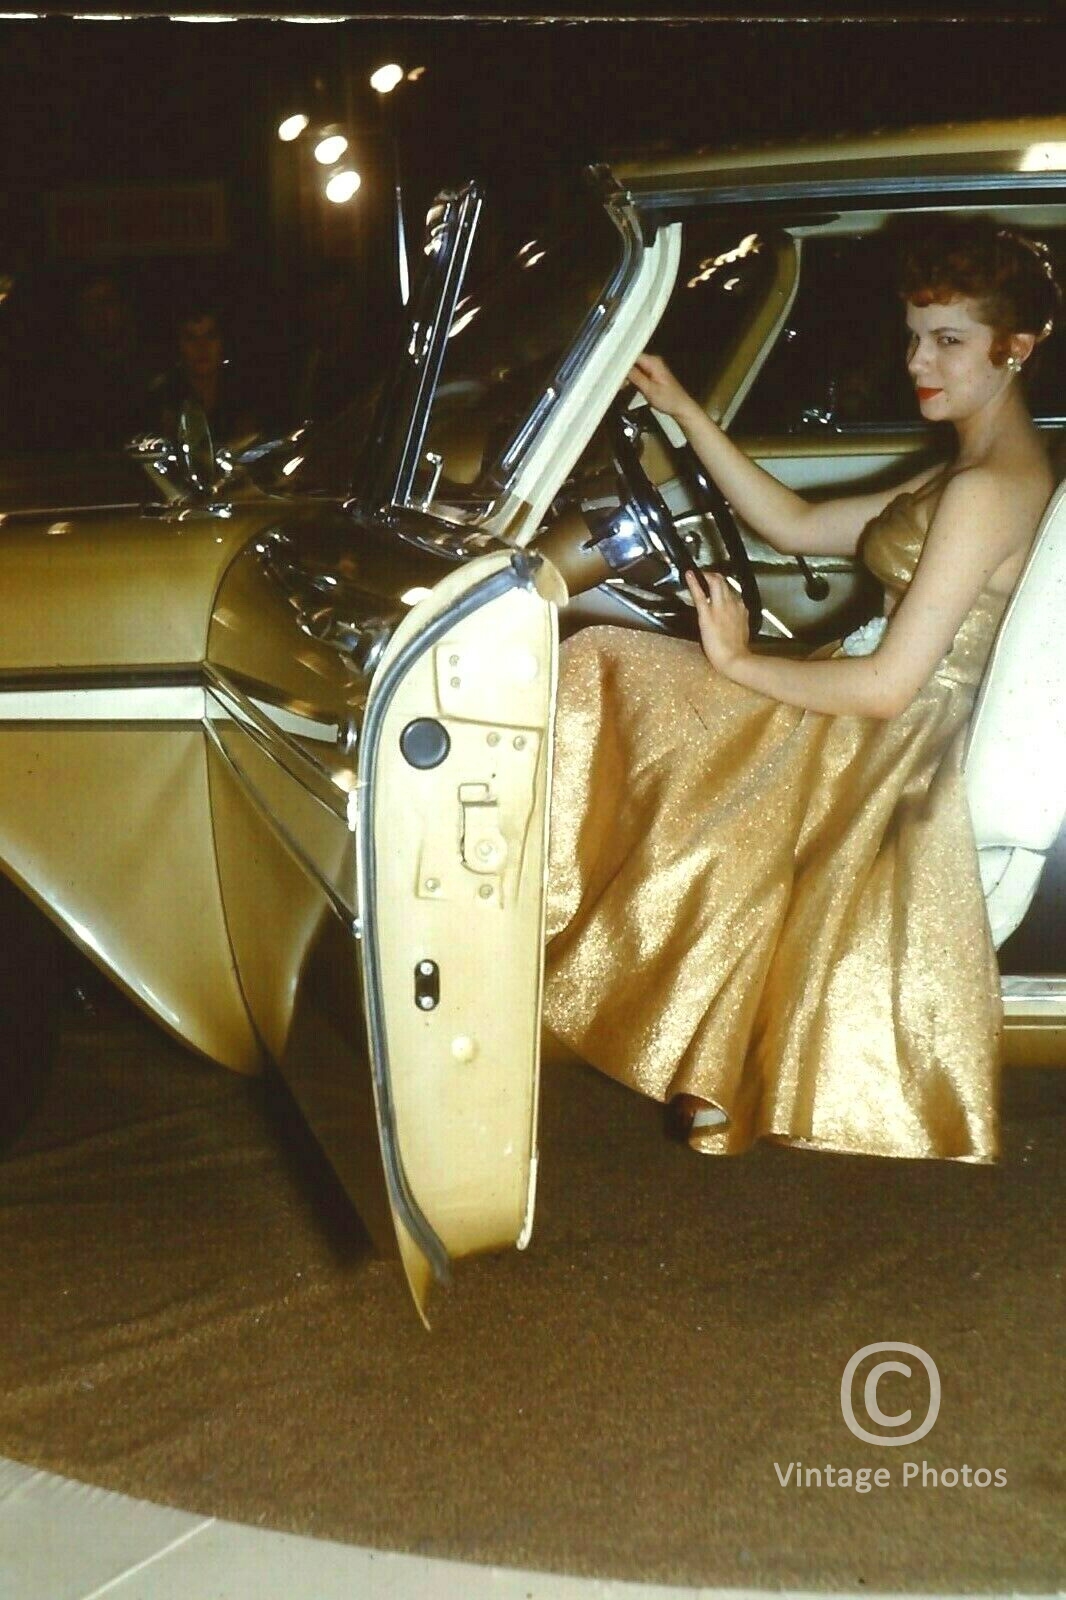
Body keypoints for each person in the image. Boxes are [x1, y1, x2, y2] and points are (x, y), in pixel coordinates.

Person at [543, 218, 1061, 1164]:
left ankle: (559, 952)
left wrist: (739, 665)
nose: (918, 360)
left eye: (947, 340)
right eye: (913, 335)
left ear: (1017, 348)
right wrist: (684, 412)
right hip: (875, 697)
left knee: (605, 670)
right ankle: (625, 978)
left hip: (894, 727)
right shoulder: (974, 471)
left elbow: (887, 685)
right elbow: (793, 524)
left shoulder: (991, 489)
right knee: (619, 674)